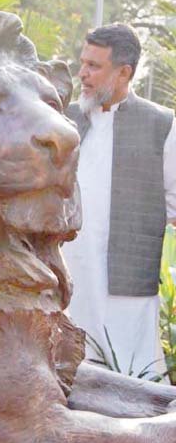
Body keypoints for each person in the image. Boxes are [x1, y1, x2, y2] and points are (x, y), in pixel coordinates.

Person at [63, 23, 176, 377]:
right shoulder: (63, 121)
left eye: (94, 66)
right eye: (82, 63)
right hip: (66, 279)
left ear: (124, 72)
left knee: (130, 383)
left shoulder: (163, 126)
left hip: (126, 285)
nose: (82, 73)